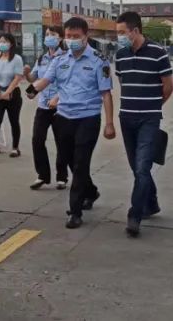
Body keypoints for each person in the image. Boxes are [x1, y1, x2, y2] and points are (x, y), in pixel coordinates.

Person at [31, 17, 115, 229]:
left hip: (88, 117)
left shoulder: (99, 60)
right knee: (69, 160)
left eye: (76, 36)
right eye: (68, 36)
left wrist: (109, 123)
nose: (71, 40)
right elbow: (46, 80)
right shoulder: (59, 60)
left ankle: (75, 211)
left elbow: (106, 93)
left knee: (80, 162)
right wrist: (31, 90)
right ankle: (91, 191)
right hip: (64, 117)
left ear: (86, 36)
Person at [114, 12, 173, 238]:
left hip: (149, 119)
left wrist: (154, 105)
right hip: (126, 118)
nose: (119, 37)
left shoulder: (158, 52)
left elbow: (168, 86)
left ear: (135, 31)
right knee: (137, 167)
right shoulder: (120, 55)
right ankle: (152, 202)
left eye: (122, 33)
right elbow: (123, 82)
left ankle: (135, 216)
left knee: (141, 167)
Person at [24, 26, 67, 190]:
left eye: (53, 34)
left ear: (60, 38)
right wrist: (27, 74)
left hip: (60, 107)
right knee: (37, 139)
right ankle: (42, 175)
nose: (49, 37)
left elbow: (68, 83)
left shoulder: (66, 57)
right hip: (43, 106)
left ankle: (62, 176)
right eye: (47, 34)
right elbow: (35, 78)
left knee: (61, 142)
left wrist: (58, 98)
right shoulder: (41, 58)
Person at [0, 33, 24, 158]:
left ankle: (15, 148)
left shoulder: (17, 59)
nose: (2, 44)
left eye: (5, 41)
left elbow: (17, 78)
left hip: (13, 94)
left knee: (14, 121)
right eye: (1, 42)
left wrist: (7, 92)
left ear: (11, 44)